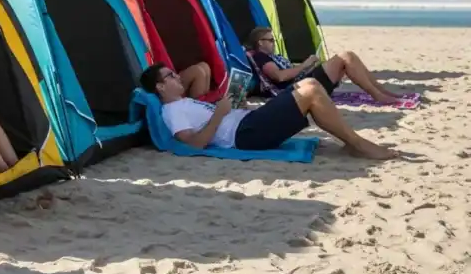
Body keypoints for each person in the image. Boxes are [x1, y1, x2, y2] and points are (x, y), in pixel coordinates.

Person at [140, 62, 399, 160]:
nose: (178, 77)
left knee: (309, 85)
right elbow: (194, 145)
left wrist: (235, 104)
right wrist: (219, 115)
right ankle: (357, 143)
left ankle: (352, 142)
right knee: (309, 90)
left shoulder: (186, 103)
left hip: (248, 121)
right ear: (161, 87)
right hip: (246, 135)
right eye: (171, 76)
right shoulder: (172, 112)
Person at [246, 27, 402, 104]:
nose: (274, 43)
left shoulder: (271, 56)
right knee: (346, 56)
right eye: (271, 40)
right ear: (260, 42)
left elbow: (285, 71)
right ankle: (378, 95)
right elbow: (279, 76)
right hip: (299, 88)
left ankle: (381, 91)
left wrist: (306, 66)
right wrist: (305, 65)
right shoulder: (261, 57)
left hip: (304, 80)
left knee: (349, 57)